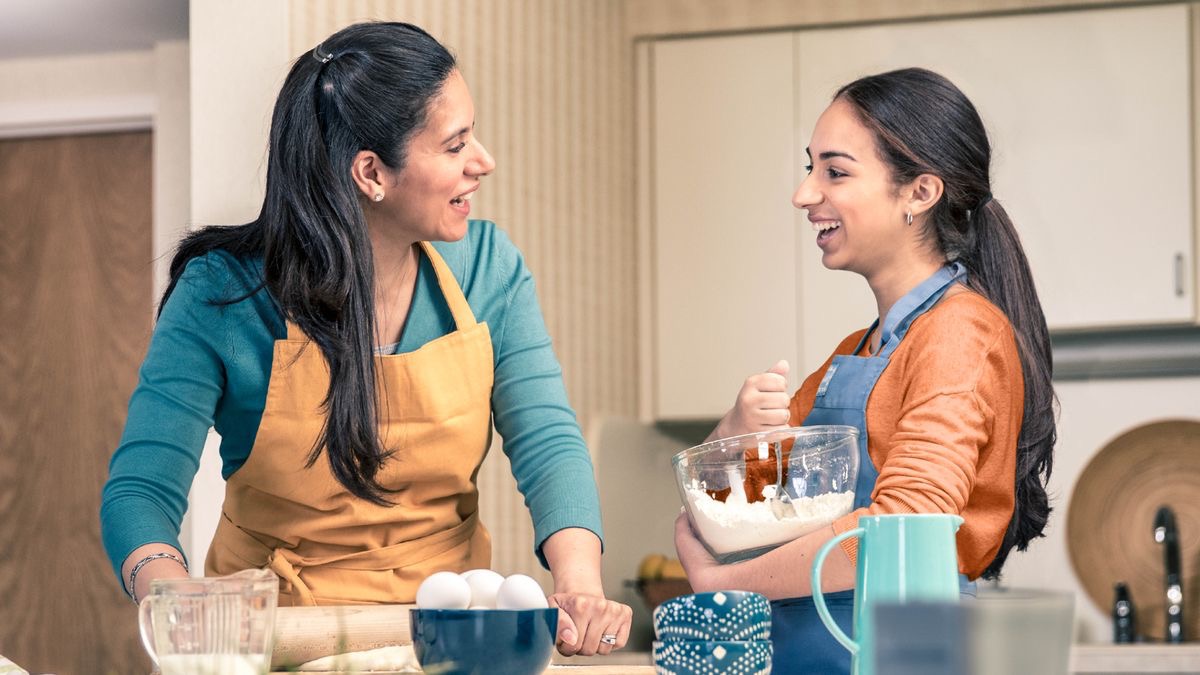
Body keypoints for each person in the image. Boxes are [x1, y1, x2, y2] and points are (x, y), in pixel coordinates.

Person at [100, 21, 631, 656]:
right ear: (371, 173)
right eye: (456, 144)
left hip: (450, 645)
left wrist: (578, 582)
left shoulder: (491, 270)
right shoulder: (223, 295)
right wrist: (172, 594)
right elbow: (141, 488)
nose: (483, 161)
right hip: (276, 645)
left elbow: (547, 443)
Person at [673, 67, 1056, 673]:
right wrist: (732, 429)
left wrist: (731, 581)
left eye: (835, 171)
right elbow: (726, 512)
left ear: (920, 193)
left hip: (896, 655)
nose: (804, 194)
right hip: (815, 649)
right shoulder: (857, 350)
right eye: (810, 168)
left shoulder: (960, 333)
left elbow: (903, 531)